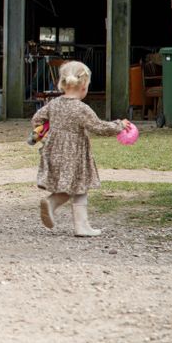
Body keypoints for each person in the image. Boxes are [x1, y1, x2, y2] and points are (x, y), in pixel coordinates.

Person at [32, 60, 131, 237]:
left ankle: (56, 205)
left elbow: (37, 119)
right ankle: (72, 218)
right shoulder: (82, 109)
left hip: (53, 151)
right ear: (84, 85)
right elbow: (99, 127)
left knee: (69, 187)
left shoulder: (54, 104)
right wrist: (120, 125)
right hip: (74, 154)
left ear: (62, 83)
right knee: (79, 187)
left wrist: (45, 136)